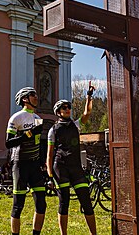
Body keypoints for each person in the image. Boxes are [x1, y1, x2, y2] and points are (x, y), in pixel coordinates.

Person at [46, 83, 97, 235]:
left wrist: (89, 96)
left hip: (75, 167)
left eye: (69, 107)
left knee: (86, 202)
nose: (68, 109)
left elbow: (87, 113)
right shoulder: (53, 130)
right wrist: (49, 175)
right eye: (64, 108)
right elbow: (49, 154)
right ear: (58, 112)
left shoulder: (76, 125)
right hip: (60, 167)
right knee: (64, 202)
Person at [5, 87, 46, 235]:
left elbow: (39, 142)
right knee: (18, 205)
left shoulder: (38, 118)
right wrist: (28, 133)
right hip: (20, 164)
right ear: (25, 99)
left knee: (41, 204)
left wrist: (43, 163)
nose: (36, 97)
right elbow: (8, 143)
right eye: (33, 95)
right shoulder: (16, 118)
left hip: (35, 165)